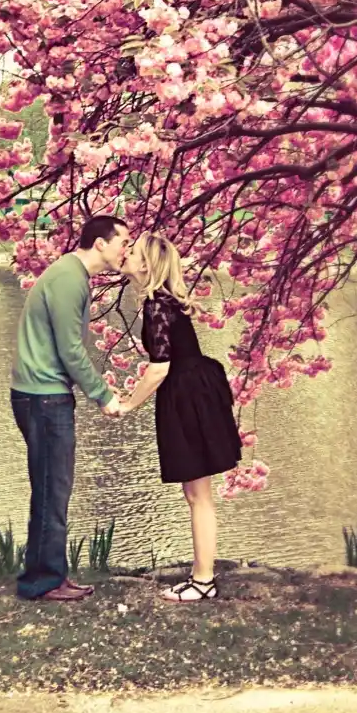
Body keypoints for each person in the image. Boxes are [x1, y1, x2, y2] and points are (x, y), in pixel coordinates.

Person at [8, 214, 133, 601]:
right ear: (100, 243)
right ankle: (42, 581)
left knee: (52, 488)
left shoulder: (72, 275)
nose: (125, 250)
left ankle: (49, 576)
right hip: (43, 397)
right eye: (122, 243)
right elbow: (70, 349)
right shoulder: (68, 278)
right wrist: (103, 394)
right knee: (51, 489)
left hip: (44, 395)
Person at [115, 231, 244, 601]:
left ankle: (203, 581)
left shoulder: (157, 304)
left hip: (188, 396)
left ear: (146, 264)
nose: (126, 254)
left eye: (133, 251)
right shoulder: (162, 302)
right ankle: (200, 577)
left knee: (199, 495)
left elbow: (158, 368)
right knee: (195, 494)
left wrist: (128, 404)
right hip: (191, 391)